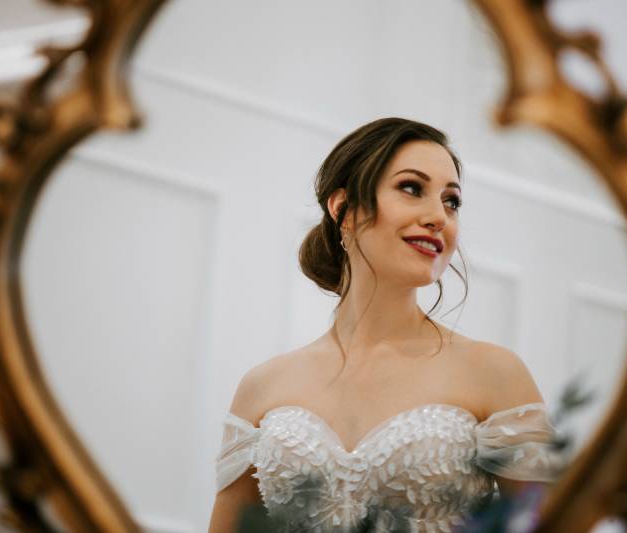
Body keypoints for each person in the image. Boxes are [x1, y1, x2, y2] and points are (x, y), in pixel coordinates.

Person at [208, 117, 558, 532]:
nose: (438, 217)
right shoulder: (263, 386)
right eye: (412, 188)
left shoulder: (495, 373)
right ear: (343, 208)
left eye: (452, 201)